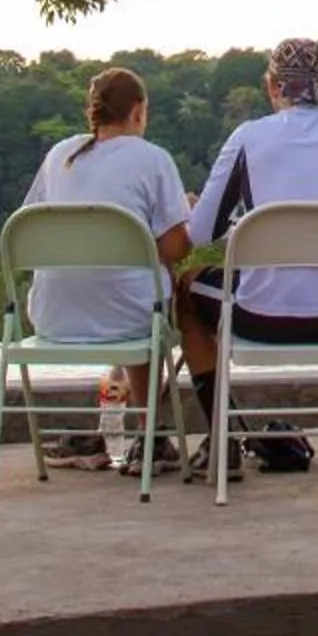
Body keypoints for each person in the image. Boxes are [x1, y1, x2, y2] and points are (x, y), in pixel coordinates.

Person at [179, 35, 318, 479]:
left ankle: (223, 438)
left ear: (272, 88)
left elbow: (201, 232)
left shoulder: (248, 139)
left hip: (257, 317)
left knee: (187, 287)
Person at [19, 66, 190, 472]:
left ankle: (107, 430)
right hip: (129, 317)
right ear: (138, 111)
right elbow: (176, 247)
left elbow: (31, 229)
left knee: (127, 300)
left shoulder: (59, 156)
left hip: (52, 318)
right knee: (148, 309)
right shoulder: (152, 159)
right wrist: (187, 213)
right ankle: (150, 435)